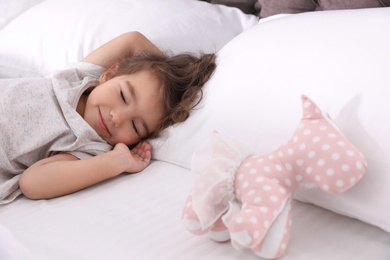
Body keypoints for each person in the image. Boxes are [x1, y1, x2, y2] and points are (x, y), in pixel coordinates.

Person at [0, 31, 216, 204]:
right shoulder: (79, 77)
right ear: (109, 73)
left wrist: (116, 162)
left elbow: (32, 183)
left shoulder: (89, 147)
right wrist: (176, 78)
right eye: (123, 95)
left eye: (135, 126)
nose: (117, 117)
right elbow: (132, 40)